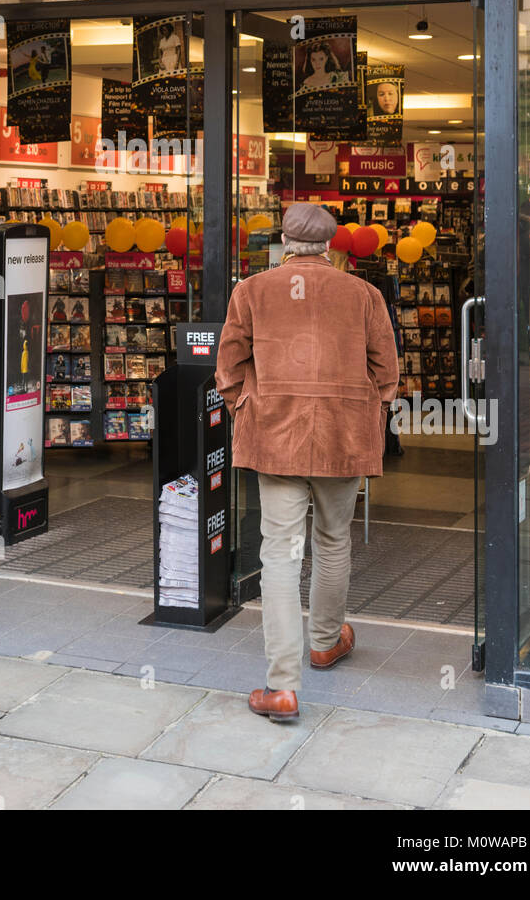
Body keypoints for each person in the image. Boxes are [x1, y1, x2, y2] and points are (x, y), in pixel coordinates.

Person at [215, 202, 398, 724]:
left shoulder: (252, 290)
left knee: (279, 553)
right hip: (343, 435)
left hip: (276, 435)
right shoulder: (364, 294)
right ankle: (324, 642)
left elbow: (228, 367)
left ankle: (282, 686)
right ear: (332, 244)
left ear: (284, 241)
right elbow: (386, 370)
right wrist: (371, 410)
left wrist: (247, 405)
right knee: (334, 539)